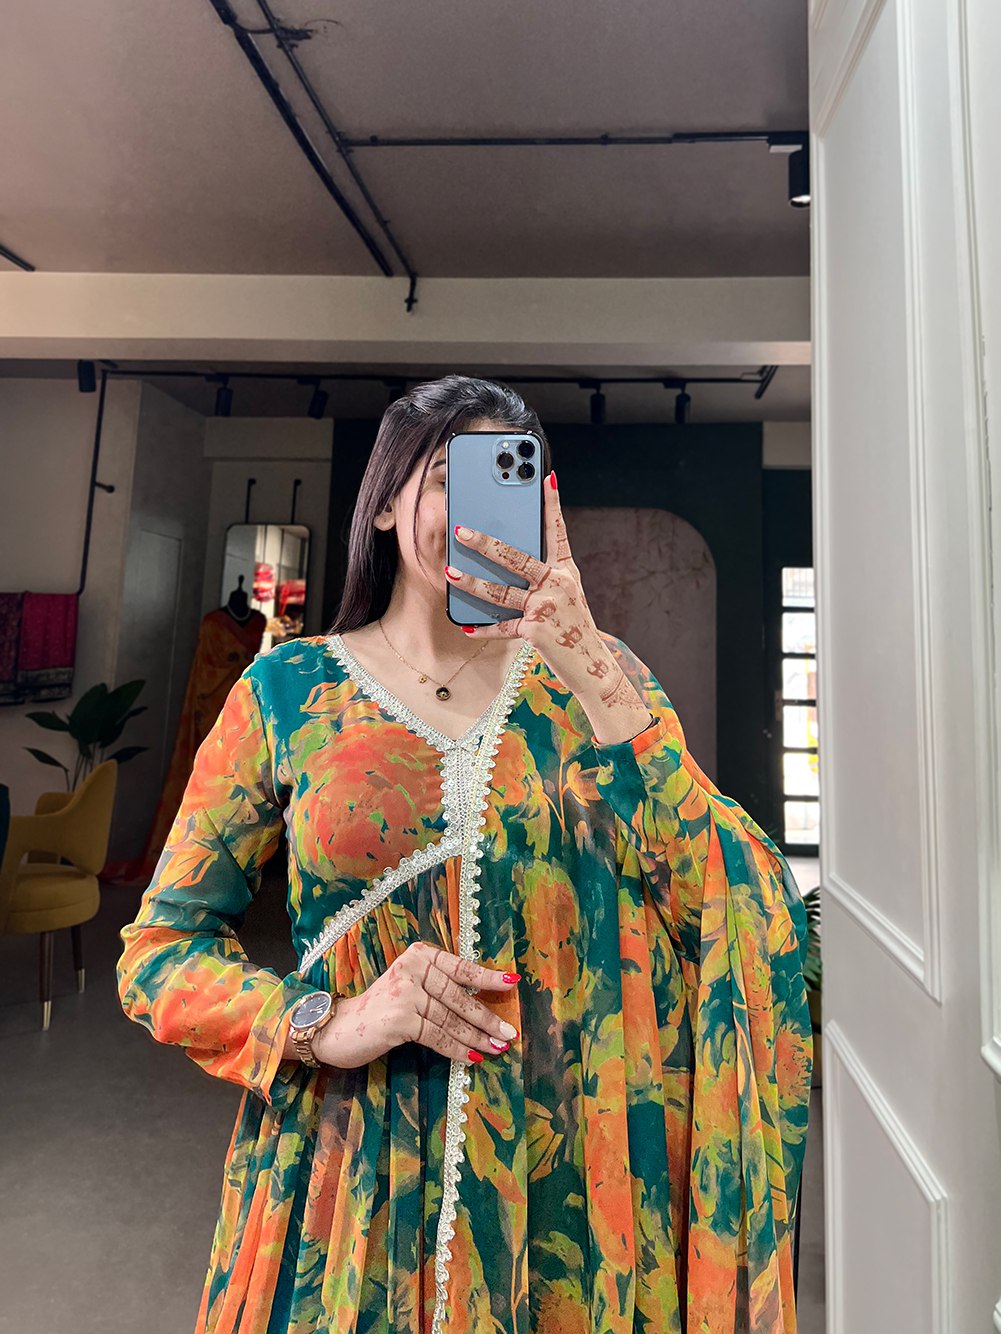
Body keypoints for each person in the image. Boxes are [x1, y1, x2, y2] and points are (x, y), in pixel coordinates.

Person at [117, 375, 813, 1334]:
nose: (477, 508)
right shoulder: (287, 692)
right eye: (448, 477)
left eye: (506, 481)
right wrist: (325, 1021)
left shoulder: (600, 681)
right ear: (386, 502)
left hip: (574, 1182)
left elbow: (732, 901)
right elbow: (160, 951)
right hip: (357, 1177)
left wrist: (588, 663)